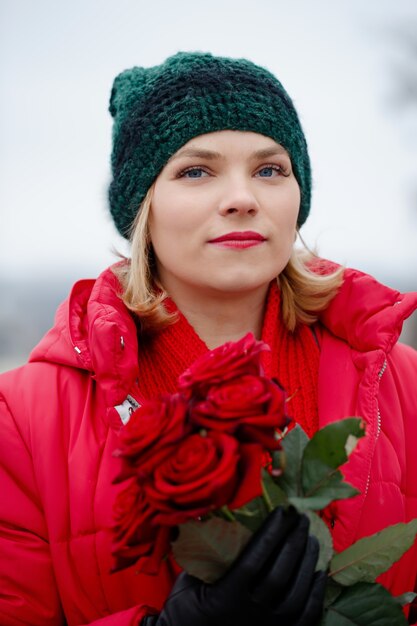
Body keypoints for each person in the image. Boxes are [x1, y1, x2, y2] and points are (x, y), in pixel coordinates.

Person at [1, 51, 417, 626]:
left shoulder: (403, 383)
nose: (242, 197)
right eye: (196, 171)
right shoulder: (20, 419)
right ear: (143, 205)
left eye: (271, 169)